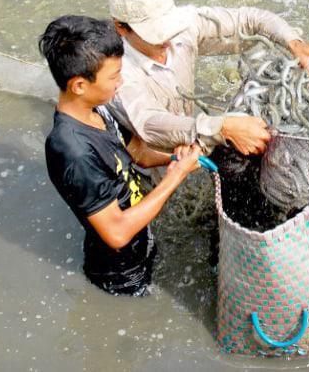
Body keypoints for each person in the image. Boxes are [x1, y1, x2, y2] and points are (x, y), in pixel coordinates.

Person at [39, 15, 202, 296]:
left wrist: (174, 159)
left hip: (140, 233)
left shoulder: (97, 109)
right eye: (114, 76)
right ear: (79, 85)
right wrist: (175, 178)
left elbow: (137, 152)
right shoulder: (73, 152)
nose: (121, 81)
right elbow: (116, 234)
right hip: (121, 273)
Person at [105, 0, 309, 155]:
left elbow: (250, 20)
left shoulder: (184, 24)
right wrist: (222, 127)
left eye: (167, 26)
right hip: (154, 159)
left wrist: (295, 44)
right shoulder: (113, 72)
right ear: (121, 27)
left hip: (197, 137)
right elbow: (149, 123)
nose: (166, 38)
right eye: (154, 33)